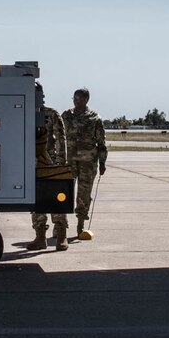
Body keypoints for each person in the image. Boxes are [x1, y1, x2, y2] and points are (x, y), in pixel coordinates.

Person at [23, 83, 69, 251]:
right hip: (31, 163)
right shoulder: (22, 111)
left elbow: (61, 140)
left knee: (56, 199)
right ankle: (40, 236)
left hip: (50, 163)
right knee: (36, 201)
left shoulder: (51, 114)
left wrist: (61, 164)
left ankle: (61, 236)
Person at [61, 87, 107, 241]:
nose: (76, 101)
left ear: (86, 99)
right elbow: (58, 137)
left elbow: (101, 142)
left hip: (88, 163)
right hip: (69, 162)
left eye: (79, 98)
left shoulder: (94, 118)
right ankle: (60, 225)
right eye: (74, 98)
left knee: (84, 194)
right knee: (63, 193)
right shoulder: (66, 116)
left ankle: (80, 224)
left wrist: (102, 162)